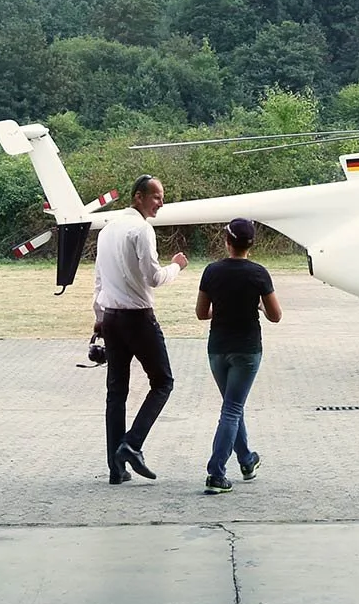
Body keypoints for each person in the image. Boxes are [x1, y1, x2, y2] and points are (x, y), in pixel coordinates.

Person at [93, 174, 187, 483]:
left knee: (116, 392)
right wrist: (177, 266)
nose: (161, 202)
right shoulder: (142, 230)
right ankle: (132, 444)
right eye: (157, 196)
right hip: (138, 318)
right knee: (163, 382)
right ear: (138, 198)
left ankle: (115, 469)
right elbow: (153, 278)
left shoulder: (106, 231)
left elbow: (98, 280)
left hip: (111, 318)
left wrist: (98, 315)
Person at [194, 217, 281, 494]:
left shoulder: (211, 271)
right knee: (232, 409)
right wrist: (257, 307)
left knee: (232, 406)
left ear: (227, 241)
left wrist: (220, 310)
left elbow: (201, 313)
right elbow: (276, 316)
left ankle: (246, 460)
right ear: (251, 245)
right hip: (247, 350)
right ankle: (216, 473)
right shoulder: (258, 273)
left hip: (218, 348)